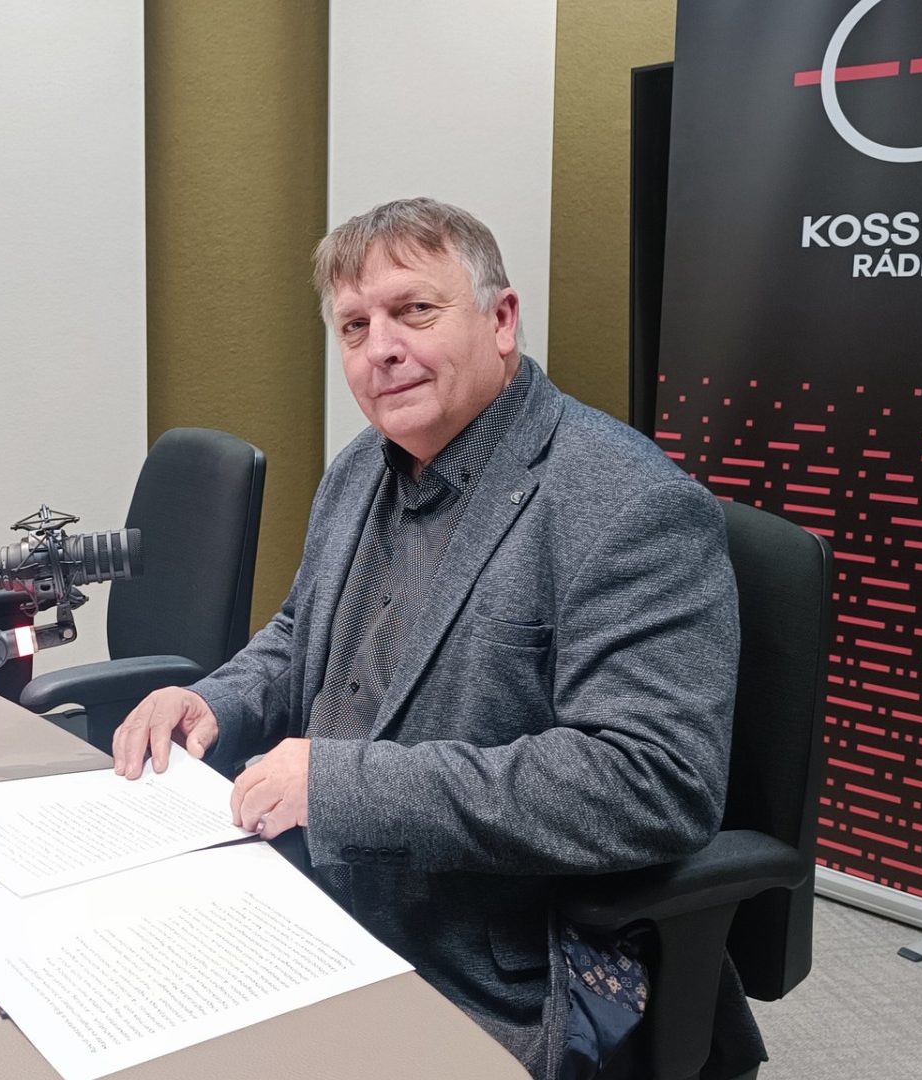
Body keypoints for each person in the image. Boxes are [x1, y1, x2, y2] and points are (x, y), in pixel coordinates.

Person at [111, 199, 753, 1079]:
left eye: (415, 310)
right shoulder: (361, 467)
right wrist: (211, 702)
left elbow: (652, 781)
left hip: (487, 958)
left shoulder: (628, 504)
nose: (381, 347)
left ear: (502, 320)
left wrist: (342, 787)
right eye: (355, 326)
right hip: (313, 887)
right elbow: (299, 635)